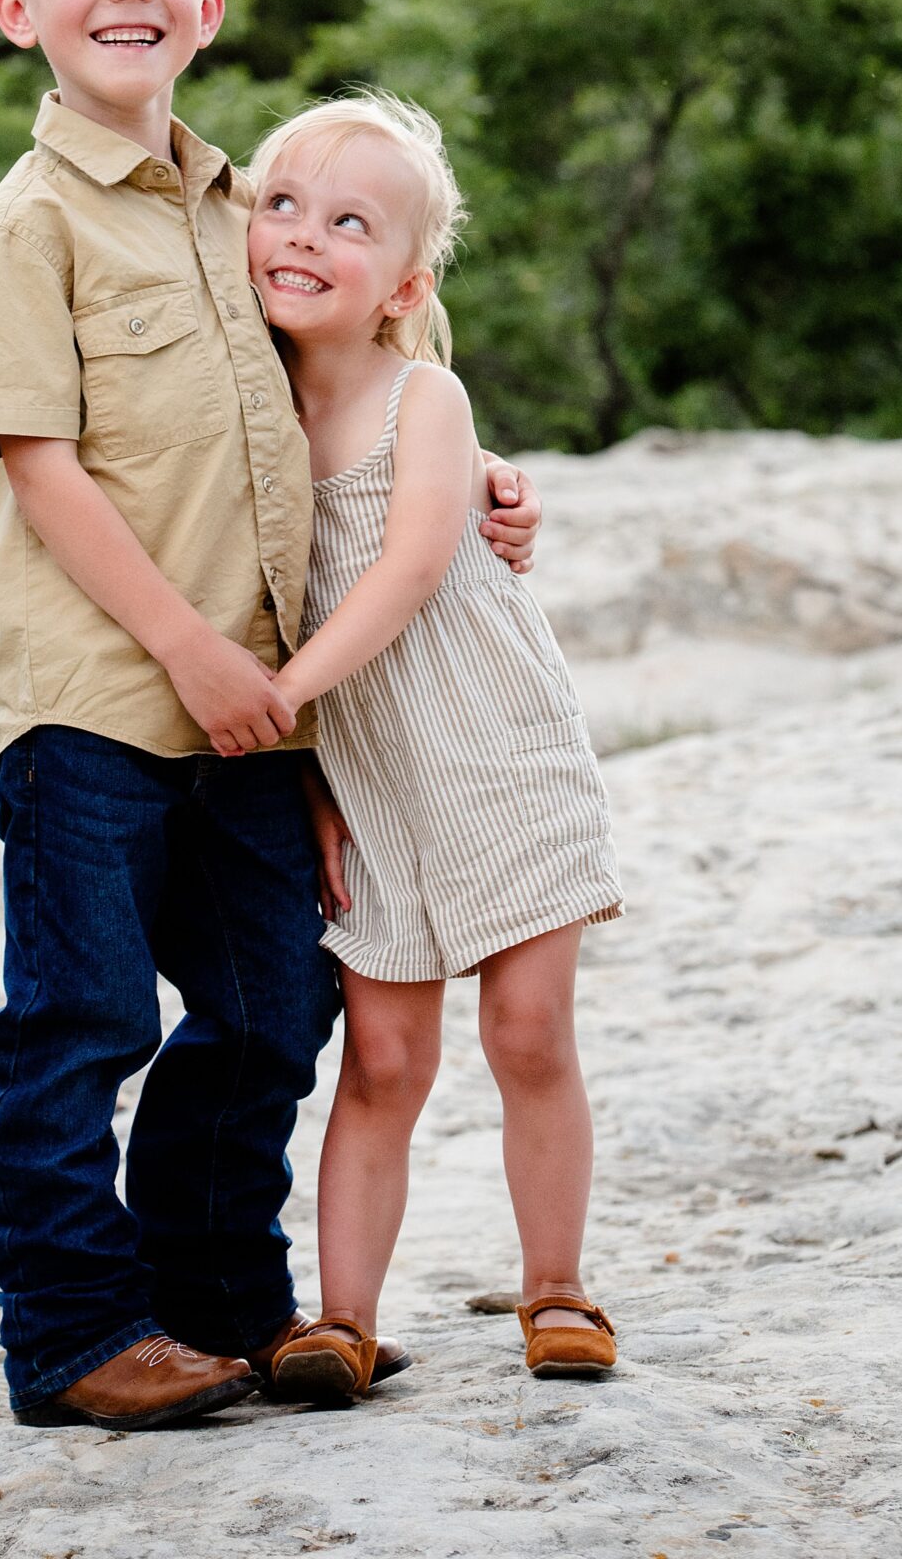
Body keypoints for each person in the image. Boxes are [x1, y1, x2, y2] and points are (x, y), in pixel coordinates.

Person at [0, 0, 542, 1430]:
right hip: (98, 702)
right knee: (79, 1018)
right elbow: (44, 470)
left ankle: (221, 1301)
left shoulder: (240, 208)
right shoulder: (31, 228)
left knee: (275, 1004)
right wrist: (191, 652)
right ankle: (73, 1336)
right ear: (19, 7)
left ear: (206, 4)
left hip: (266, 714)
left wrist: (466, 459)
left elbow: (344, 362)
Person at [245, 92, 624, 1405]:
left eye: (347, 222)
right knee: (384, 1061)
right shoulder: (244, 418)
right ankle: (340, 1319)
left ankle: (558, 1288)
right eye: (280, 205)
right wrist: (304, 760)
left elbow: (407, 570)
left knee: (527, 1033)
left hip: (496, 753)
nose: (302, 236)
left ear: (401, 285)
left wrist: (278, 697)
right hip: (374, 789)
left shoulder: (428, 397)